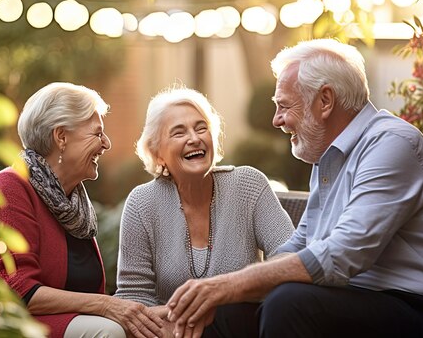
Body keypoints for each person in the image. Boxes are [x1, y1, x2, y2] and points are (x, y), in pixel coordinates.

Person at [165, 39, 423, 338]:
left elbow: (343, 254)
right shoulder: (328, 160)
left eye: (284, 106)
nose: (276, 120)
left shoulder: (392, 144)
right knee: (223, 313)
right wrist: (219, 293)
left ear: (325, 101)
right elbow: (302, 243)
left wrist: (231, 283)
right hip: (356, 305)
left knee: (288, 304)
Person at [0, 82, 164, 338]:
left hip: (63, 324)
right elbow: (16, 289)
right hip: (15, 325)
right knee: (108, 332)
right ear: (61, 136)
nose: (107, 144)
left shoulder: (73, 204)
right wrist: (106, 305)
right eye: (97, 133)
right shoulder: (10, 186)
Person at [114, 86, 295, 338]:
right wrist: (174, 327)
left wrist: (226, 293)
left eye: (201, 128)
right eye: (179, 132)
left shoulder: (248, 185)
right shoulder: (142, 202)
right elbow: (133, 295)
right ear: (158, 153)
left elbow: (290, 258)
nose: (194, 138)